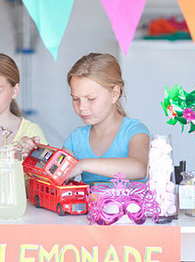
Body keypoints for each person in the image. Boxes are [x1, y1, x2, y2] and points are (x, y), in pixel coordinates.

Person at [63, 53, 150, 184]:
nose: (82, 107)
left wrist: (82, 165)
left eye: (91, 99)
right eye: (76, 99)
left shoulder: (134, 131)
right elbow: (57, 176)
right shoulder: (75, 139)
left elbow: (139, 168)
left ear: (114, 93)